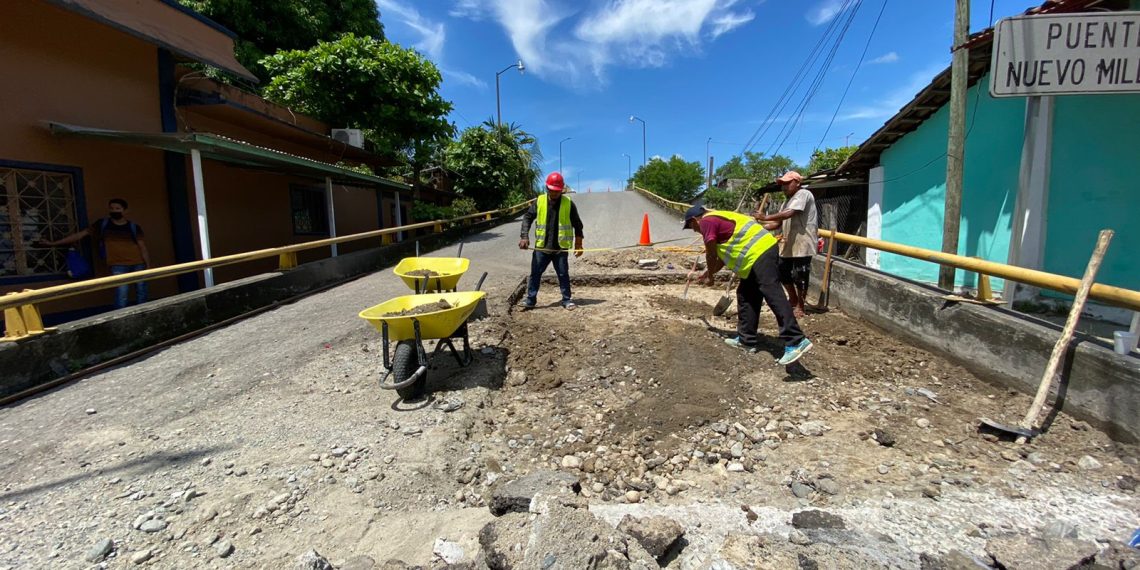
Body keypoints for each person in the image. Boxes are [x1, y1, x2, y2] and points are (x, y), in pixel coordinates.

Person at [685, 204, 813, 365]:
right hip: (758, 254)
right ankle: (746, 340)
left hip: (760, 252)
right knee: (746, 294)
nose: (695, 231)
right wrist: (707, 274)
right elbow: (721, 259)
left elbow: (711, 253)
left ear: (694, 220)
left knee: (772, 292)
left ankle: (796, 340)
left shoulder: (706, 221)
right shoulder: (720, 218)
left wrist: (710, 277)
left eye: (691, 227)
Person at [39, 198, 150, 309]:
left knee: (142, 291)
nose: (114, 211)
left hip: (138, 263)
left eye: (118, 208)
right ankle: (121, 320)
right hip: (117, 264)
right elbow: (80, 235)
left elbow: (142, 247)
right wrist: (53, 243)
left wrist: (148, 265)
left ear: (125, 211)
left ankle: (145, 314)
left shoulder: (134, 227)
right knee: (122, 293)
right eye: (112, 208)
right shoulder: (102, 224)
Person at [519, 172, 584, 310]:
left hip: (560, 248)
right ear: (547, 188)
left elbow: (578, 225)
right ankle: (530, 300)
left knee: (563, 274)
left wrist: (579, 244)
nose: (554, 193)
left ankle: (567, 300)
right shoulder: (540, 201)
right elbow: (527, 218)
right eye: (552, 190)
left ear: (562, 190)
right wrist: (524, 236)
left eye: (557, 191)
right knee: (535, 273)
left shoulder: (568, 204)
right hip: (542, 248)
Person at [756, 171, 817, 318]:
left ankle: (801, 306)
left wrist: (765, 216)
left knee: (800, 275)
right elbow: (777, 223)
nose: (784, 187)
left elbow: (790, 213)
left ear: (797, 183)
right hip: (789, 243)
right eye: (782, 184)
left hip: (803, 242)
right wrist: (758, 227)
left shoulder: (803, 194)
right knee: (782, 271)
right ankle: (793, 298)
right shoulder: (786, 202)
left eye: (787, 183)